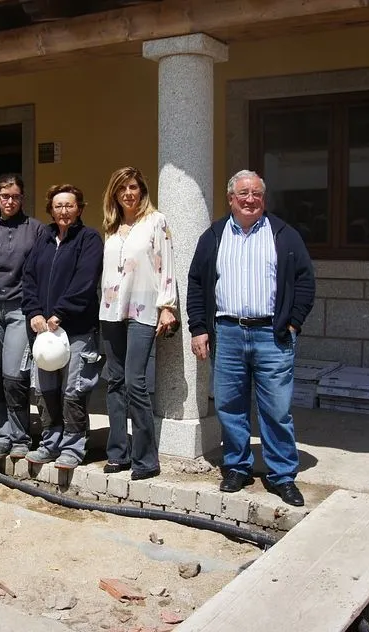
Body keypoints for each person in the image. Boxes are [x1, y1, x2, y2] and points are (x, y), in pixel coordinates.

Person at [187, 169, 315, 507]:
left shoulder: (283, 235)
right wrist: (198, 327)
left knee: (277, 408)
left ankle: (282, 476)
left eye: (256, 193)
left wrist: (294, 323)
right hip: (227, 333)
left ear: (264, 198)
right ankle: (237, 467)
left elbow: (305, 281)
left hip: (272, 333)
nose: (249, 199)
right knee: (230, 406)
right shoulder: (213, 235)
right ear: (230, 198)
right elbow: (197, 283)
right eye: (243, 193)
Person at [98, 166, 178, 480]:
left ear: (142, 190)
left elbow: (167, 265)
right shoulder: (112, 225)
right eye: (122, 189)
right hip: (110, 311)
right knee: (114, 383)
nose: (129, 194)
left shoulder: (156, 222)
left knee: (135, 383)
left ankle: (146, 459)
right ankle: (118, 453)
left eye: (133, 187)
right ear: (114, 194)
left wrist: (167, 307)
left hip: (143, 310)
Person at [21, 184, 103, 470]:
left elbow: (85, 282)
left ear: (79, 208)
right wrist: (33, 312)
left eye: (70, 205)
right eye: (58, 206)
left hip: (76, 329)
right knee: (44, 389)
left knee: (73, 389)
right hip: (44, 331)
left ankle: (72, 446)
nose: (64, 211)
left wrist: (59, 314)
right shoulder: (43, 238)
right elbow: (28, 278)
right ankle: (50, 441)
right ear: (51, 209)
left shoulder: (90, 239)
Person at [0, 174, 45, 459]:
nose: (10, 201)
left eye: (15, 196)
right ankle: (1, 435)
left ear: (22, 198)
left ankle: (20, 436)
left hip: (19, 309)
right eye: (5, 196)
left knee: (14, 375)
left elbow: (41, 269)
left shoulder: (36, 229)